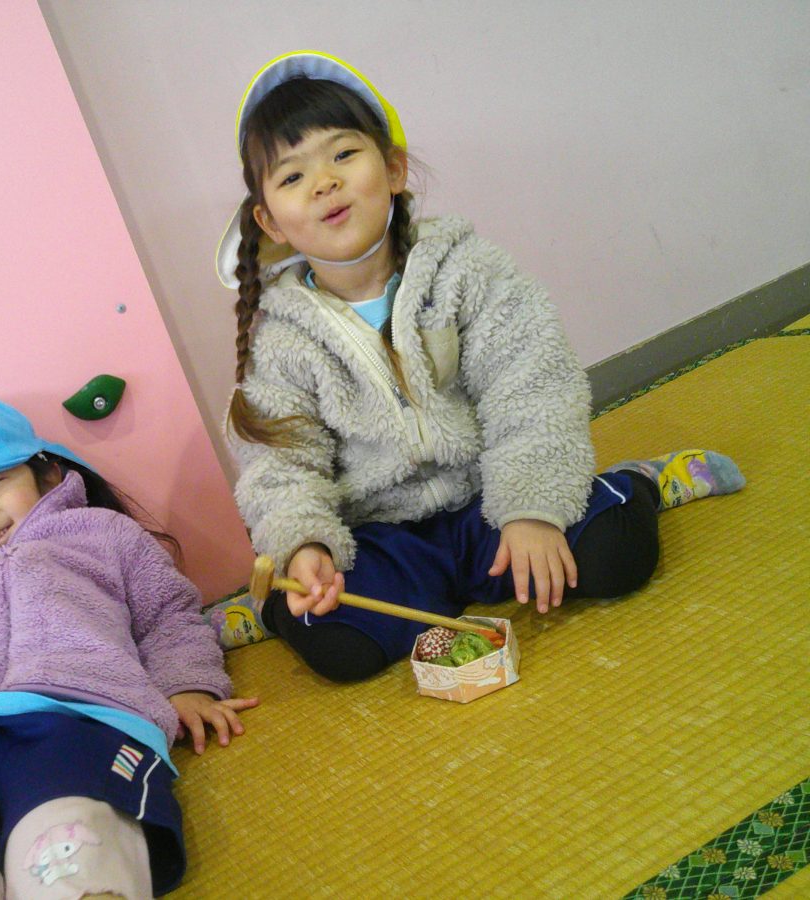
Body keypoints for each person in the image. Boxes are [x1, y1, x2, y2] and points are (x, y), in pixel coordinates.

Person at [208, 51, 745, 676]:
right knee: (338, 646)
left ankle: (642, 482)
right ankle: (272, 605)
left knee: (615, 552)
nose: (324, 182)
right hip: (387, 538)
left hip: (489, 499)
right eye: (293, 176)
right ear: (269, 219)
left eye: (344, 154)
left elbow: (533, 387)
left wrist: (530, 510)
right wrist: (304, 546)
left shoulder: (468, 271)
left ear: (393, 168)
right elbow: (279, 464)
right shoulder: (280, 336)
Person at [0, 396, 258, 899]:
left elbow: (167, 614)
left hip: (72, 713)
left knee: (70, 828)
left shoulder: (105, 535)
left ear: (48, 473)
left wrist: (187, 684)